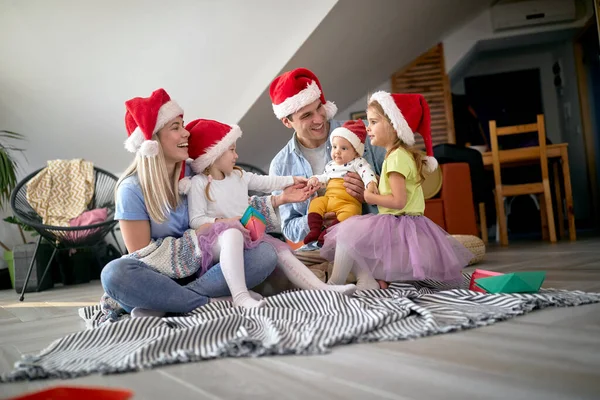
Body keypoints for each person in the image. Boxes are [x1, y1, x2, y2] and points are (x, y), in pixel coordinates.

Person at [100, 88, 306, 318]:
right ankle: (209, 302)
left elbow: (232, 208)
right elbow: (143, 256)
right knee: (114, 274)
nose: (187, 133)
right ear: (153, 141)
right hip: (160, 277)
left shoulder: (196, 172)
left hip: (206, 271)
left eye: (183, 125)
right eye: (176, 128)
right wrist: (196, 240)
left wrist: (280, 199)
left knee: (265, 254)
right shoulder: (131, 189)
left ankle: (170, 304)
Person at [179, 118, 357, 308]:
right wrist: (228, 221)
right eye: (231, 150)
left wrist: (293, 180)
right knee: (232, 234)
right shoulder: (199, 183)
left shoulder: (239, 176)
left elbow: (267, 182)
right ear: (214, 155)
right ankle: (240, 296)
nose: (236, 155)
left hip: (245, 233)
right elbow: (196, 220)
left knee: (281, 251)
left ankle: (321, 288)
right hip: (216, 239)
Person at [320, 92, 474, 290]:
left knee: (346, 235)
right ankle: (376, 280)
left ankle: (335, 283)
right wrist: (374, 182)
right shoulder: (397, 155)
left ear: (394, 126)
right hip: (404, 224)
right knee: (354, 239)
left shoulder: (395, 158)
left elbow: (398, 201)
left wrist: (370, 196)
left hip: (399, 223)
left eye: (374, 121)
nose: (368, 128)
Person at [268, 68, 386, 247]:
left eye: (318, 108)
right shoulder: (280, 166)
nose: (318, 119)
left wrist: (372, 194)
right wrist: (316, 219)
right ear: (287, 121)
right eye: (307, 115)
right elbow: (289, 229)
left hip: (373, 242)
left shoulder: (364, 133)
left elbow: (405, 191)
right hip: (318, 250)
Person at [303, 120, 378, 244]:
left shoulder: (357, 162)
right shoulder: (330, 165)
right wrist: (315, 180)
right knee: (316, 203)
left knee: (351, 214)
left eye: (343, 148)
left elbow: (366, 173)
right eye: (334, 147)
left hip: (348, 203)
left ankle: (326, 236)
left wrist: (371, 183)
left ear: (355, 152)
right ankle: (314, 230)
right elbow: (325, 177)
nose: (337, 151)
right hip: (329, 199)